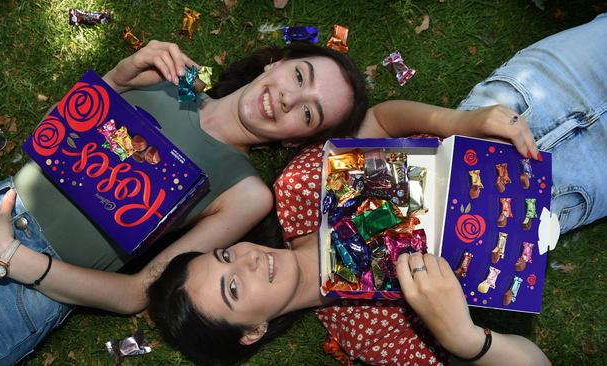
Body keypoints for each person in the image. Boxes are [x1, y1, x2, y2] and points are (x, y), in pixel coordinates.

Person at [147, 13, 607, 366]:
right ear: (253, 331)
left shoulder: (298, 191)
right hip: (562, 195)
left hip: (514, 102)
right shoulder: (368, 334)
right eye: (233, 289)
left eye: (226, 256)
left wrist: (460, 121)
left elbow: (382, 120)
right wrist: (465, 339)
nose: (247, 262)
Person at [0, 41, 368, 365]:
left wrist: (10, 255)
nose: (288, 100)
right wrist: (118, 78)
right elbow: (53, 138)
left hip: (26, 287)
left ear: (297, 140)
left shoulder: (247, 194)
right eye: (299, 76)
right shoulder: (164, 76)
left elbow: (139, 292)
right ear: (273, 64)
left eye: (309, 113)